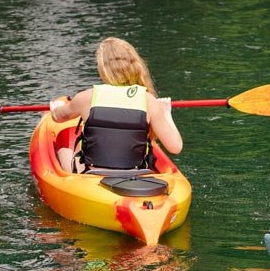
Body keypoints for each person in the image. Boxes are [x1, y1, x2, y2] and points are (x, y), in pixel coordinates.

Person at [48, 37, 184, 174]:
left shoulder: (86, 97)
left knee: (64, 146)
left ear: (103, 68)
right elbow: (176, 147)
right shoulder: (148, 100)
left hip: (93, 176)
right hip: (135, 175)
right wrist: (166, 113)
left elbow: (59, 117)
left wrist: (56, 108)